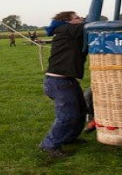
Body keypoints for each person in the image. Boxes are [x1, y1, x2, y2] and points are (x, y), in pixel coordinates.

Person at [39, 11, 88, 158]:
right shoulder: (66, 29)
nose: (81, 19)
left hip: (67, 80)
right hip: (58, 82)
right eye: (77, 17)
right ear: (68, 21)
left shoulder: (68, 31)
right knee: (68, 116)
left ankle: (69, 138)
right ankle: (48, 145)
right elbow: (89, 26)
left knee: (80, 111)